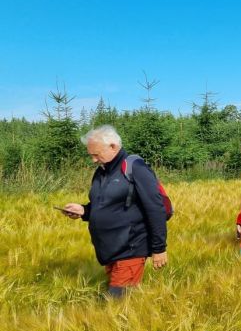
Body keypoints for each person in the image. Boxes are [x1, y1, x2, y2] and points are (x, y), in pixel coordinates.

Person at [61, 125, 168, 298]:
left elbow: (155, 209)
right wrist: (84, 211)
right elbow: (105, 206)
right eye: (91, 155)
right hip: (110, 251)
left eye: (96, 154)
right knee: (121, 303)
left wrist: (159, 249)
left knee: (116, 303)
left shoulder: (136, 168)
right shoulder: (101, 172)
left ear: (113, 146)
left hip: (130, 249)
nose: (93, 160)